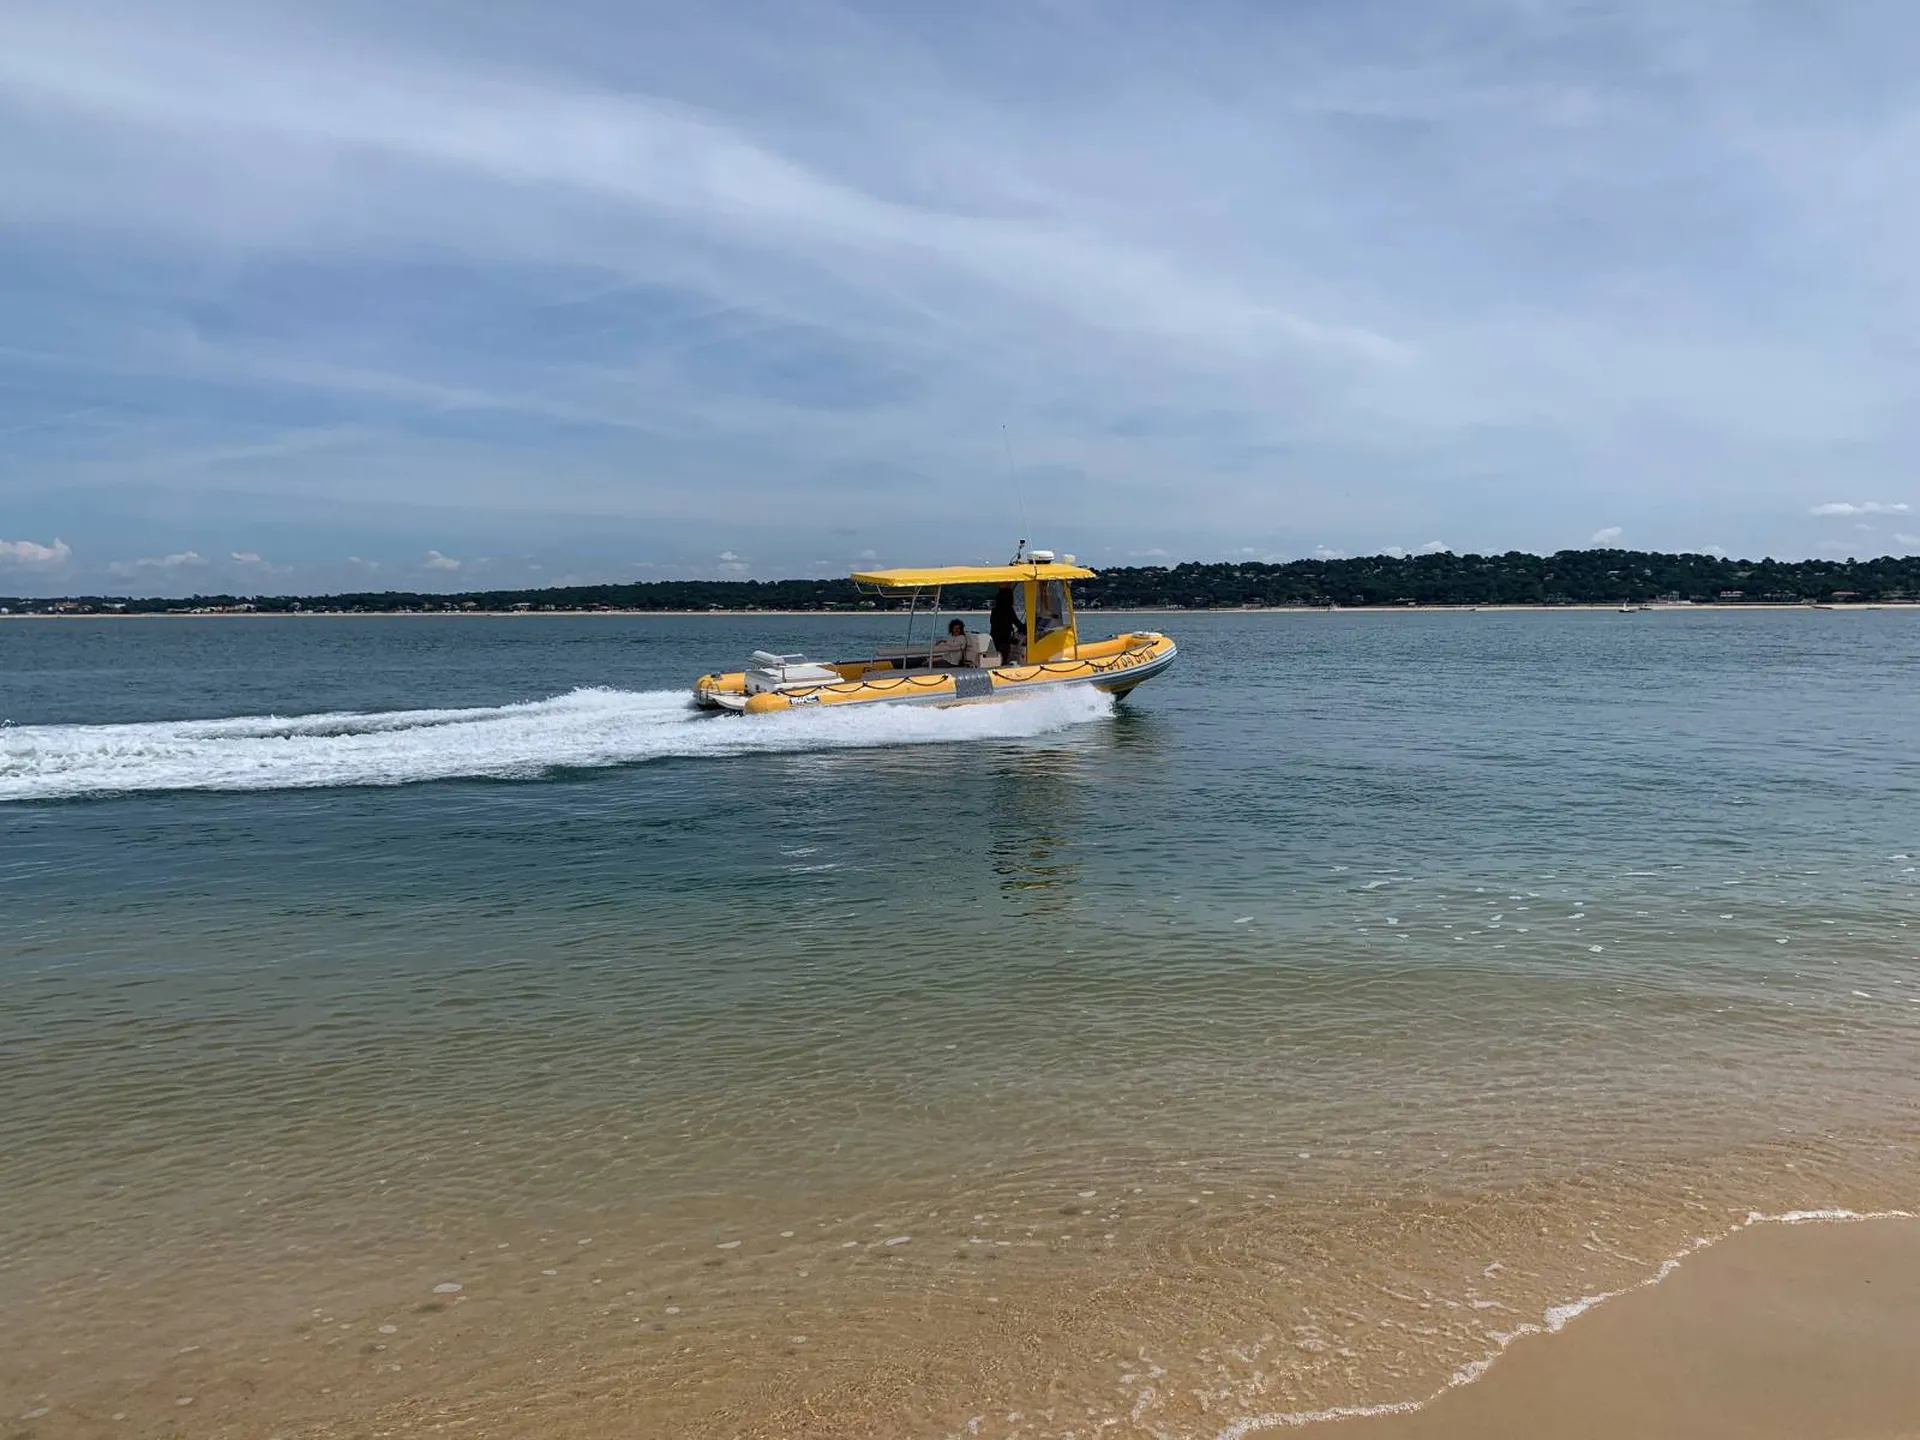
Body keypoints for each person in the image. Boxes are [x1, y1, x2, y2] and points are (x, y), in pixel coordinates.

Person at [989, 583, 1018, 664]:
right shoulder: (1008, 610)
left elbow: (991, 621)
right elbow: (1016, 622)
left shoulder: (995, 610)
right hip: (1004, 639)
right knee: (1004, 658)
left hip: (994, 637)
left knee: (997, 659)